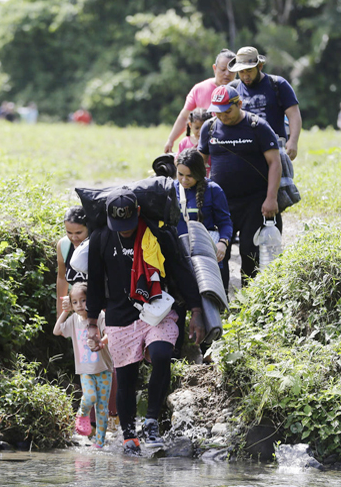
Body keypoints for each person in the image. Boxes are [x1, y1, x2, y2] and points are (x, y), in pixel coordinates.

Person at [86, 187, 204, 455]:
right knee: (126, 378)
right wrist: (92, 322)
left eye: (128, 224)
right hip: (119, 316)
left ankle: (151, 421)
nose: (124, 230)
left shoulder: (158, 235)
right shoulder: (101, 238)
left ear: (138, 213)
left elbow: (181, 271)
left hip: (156, 309)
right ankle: (129, 437)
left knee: (162, 354)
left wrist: (196, 309)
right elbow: (94, 282)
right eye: (118, 225)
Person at [198, 85, 282, 285]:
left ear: (240, 104)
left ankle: (249, 300)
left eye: (227, 111)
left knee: (249, 251)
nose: (223, 116)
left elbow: (275, 163)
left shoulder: (257, 126)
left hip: (254, 202)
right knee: (218, 252)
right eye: (218, 112)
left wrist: (271, 198)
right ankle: (221, 302)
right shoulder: (209, 127)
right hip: (220, 203)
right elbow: (199, 163)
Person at [53, 282, 113, 449]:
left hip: (104, 370)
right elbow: (57, 331)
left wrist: (101, 341)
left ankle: (99, 442)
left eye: (84, 300)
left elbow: (109, 332)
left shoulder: (99, 316)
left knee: (102, 407)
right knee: (90, 397)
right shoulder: (73, 320)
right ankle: (81, 414)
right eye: (75, 302)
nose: (80, 305)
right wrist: (65, 311)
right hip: (85, 370)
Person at [227, 46, 302, 160]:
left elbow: (294, 115)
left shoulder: (278, 84)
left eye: (249, 71)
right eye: (241, 72)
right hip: (243, 151)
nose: (245, 76)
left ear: (260, 66)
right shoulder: (233, 89)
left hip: (275, 149)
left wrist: (293, 141)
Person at [174, 148, 233, 291]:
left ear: (199, 173)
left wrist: (222, 243)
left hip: (207, 253)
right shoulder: (171, 188)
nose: (184, 180)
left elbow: (225, 222)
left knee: (212, 297)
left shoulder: (213, 190)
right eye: (180, 174)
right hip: (181, 254)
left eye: (189, 176)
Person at [163, 49, 236, 154]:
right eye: (223, 69)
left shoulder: (240, 90)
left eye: (232, 70)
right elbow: (184, 117)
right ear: (214, 68)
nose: (227, 74)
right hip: (204, 148)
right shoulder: (199, 89)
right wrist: (170, 140)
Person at [56, 207, 90, 318]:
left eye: (79, 232)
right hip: (79, 314)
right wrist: (60, 314)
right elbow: (61, 278)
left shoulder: (98, 244)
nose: (74, 237)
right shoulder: (64, 245)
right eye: (69, 232)